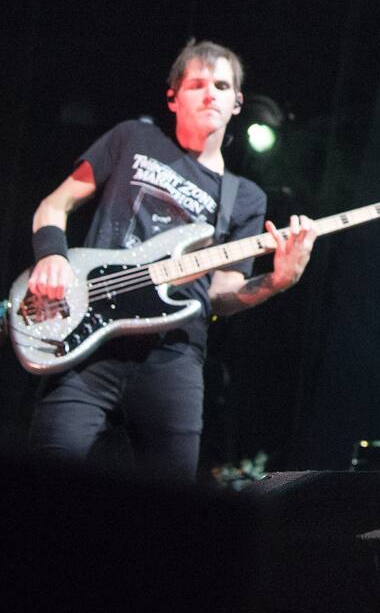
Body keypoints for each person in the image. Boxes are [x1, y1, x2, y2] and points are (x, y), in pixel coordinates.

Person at [26, 38, 315, 481]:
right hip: (90, 340)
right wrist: (52, 256)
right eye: (197, 84)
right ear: (173, 97)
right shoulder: (132, 138)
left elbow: (221, 294)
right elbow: (54, 205)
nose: (209, 94)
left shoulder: (245, 197)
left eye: (221, 86)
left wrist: (278, 282)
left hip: (174, 355)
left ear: (237, 102)